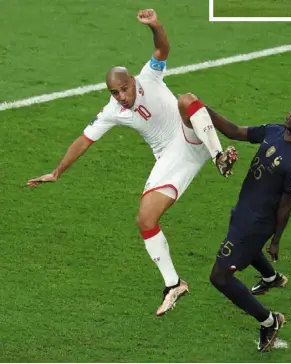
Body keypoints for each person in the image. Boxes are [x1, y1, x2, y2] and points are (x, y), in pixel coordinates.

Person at [26, 9, 238, 317]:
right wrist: (57, 172)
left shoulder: (149, 76)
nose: (122, 96)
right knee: (144, 219)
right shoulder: (113, 110)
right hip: (170, 158)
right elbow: (84, 139)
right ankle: (173, 284)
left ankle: (220, 156)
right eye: (115, 92)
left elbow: (162, 49)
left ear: (132, 81)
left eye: (124, 88)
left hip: (191, 136)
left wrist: (156, 25)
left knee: (186, 99)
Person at [206, 83, 291, 351]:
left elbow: (285, 205)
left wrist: (276, 240)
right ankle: (272, 279)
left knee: (219, 277)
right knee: (241, 255)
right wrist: (202, 109)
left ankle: (269, 321)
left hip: (257, 224)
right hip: (243, 211)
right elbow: (235, 132)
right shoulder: (273, 131)